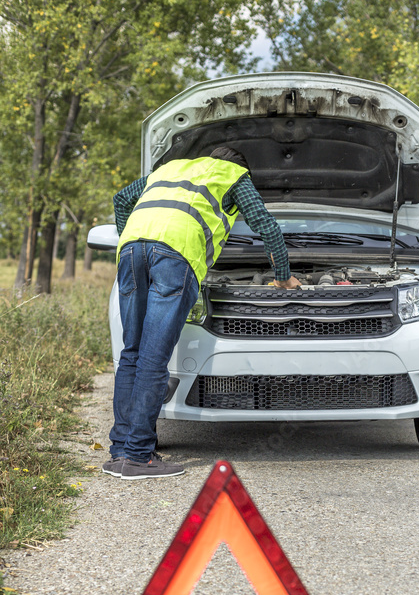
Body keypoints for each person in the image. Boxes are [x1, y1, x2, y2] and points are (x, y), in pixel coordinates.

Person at [103, 145, 300, 480]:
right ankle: (139, 457)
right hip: (174, 255)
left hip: (132, 250)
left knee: (132, 354)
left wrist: (131, 238)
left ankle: (120, 452)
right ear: (241, 167)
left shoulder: (171, 169)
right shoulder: (233, 175)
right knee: (153, 357)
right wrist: (282, 276)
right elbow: (266, 225)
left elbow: (122, 199)